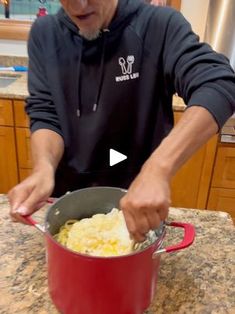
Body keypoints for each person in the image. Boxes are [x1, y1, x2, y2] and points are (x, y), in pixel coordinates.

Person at [8, 0, 235, 242]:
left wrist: (158, 169)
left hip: (134, 202)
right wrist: (43, 168)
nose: (81, 5)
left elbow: (218, 83)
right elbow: (46, 113)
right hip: (66, 200)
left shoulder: (159, 25)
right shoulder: (44, 34)